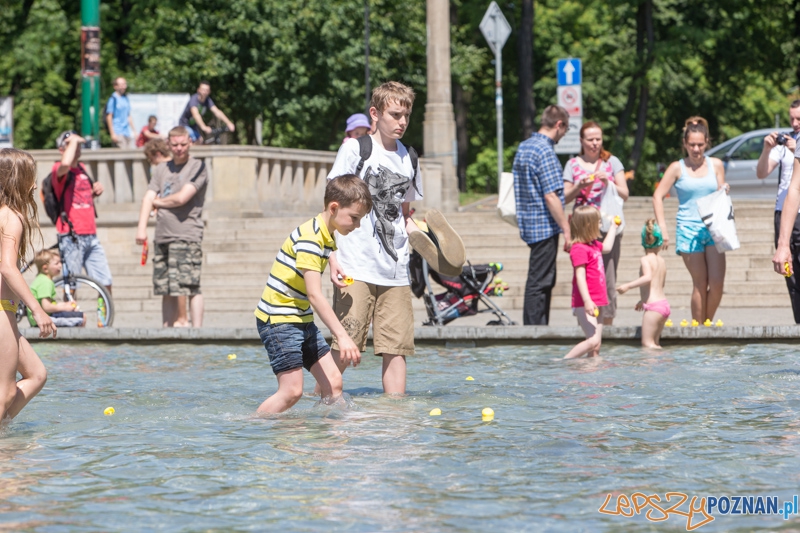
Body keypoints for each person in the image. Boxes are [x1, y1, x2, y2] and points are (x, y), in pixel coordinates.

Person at [322, 81, 463, 395]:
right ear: (375, 113)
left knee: (396, 348)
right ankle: (320, 402)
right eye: (395, 115)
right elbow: (329, 209)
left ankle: (395, 418)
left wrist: (432, 246)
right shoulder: (355, 149)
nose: (401, 122)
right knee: (346, 343)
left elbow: (405, 216)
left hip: (396, 271)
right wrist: (331, 259)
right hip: (354, 266)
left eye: (406, 116)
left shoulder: (410, 157)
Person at [254, 175, 372, 414]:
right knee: (291, 392)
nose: (357, 225)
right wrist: (343, 336)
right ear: (334, 208)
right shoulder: (310, 239)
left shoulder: (326, 231)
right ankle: (250, 426)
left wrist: (333, 262)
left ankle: (329, 445)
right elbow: (315, 295)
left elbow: (326, 247)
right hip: (279, 320)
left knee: (333, 383)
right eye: (355, 218)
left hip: (301, 318)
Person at [653, 117, 728, 323]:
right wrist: (663, 228)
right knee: (700, 282)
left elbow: (721, 191)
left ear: (707, 143)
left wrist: (725, 190)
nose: (696, 149)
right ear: (685, 144)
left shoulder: (716, 165)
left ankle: (706, 323)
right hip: (689, 229)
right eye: (692, 145)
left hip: (714, 229)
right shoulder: (677, 168)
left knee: (717, 283)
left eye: (700, 145)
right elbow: (658, 196)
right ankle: (698, 330)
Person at [0, 148, 54, 422]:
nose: (34, 184)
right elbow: (8, 267)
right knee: (5, 392)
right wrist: (37, 309)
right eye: (31, 177)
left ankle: (4, 434)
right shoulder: (11, 217)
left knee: (36, 374)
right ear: (16, 179)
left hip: (4, 309)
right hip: (1, 310)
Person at [135, 127, 208, 327]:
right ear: (168, 145)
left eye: (183, 144)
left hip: (187, 234)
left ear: (190, 143)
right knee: (164, 287)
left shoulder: (197, 166)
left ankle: (196, 330)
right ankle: (166, 330)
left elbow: (182, 198)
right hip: (163, 236)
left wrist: (158, 203)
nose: (179, 149)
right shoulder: (161, 169)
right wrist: (141, 228)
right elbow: (148, 196)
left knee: (189, 285)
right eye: (174, 145)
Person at [563, 121, 629, 326]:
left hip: (607, 227)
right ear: (581, 141)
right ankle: (586, 323)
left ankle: (606, 324)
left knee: (607, 278)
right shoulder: (572, 164)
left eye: (598, 139)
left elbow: (625, 193)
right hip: (583, 229)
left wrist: (608, 183)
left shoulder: (612, 162)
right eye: (590, 139)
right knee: (583, 275)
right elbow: (564, 197)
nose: (595, 143)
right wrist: (580, 186)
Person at [513, 105, 572, 325]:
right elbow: (551, 196)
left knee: (540, 279)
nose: (563, 135)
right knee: (540, 281)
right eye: (564, 130)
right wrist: (566, 228)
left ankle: (536, 327)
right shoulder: (545, 150)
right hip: (544, 226)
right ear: (559, 124)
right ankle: (535, 331)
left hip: (529, 222)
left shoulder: (525, 146)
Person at [52, 131, 113, 294]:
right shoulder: (58, 168)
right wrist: (74, 140)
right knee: (71, 285)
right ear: (61, 149)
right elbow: (65, 164)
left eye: (78, 144)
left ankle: (104, 319)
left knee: (105, 282)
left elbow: (78, 197)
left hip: (91, 234)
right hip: (71, 234)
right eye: (70, 144)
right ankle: (71, 318)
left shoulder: (82, 168)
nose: (76, 147)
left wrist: (93, 193)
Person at [758, 100, 800, 322]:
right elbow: (762, 173)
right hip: (786, 213)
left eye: (799, 119)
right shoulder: (785, 147)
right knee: (791, 277)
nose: (794, 124)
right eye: (792, 118)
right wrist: (767, 149)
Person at [564, 205, 617, 359]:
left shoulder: (593, 245)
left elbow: (607, 247)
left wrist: (613, 227)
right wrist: (587, 301)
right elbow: (580, 276)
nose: (601, 225)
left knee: (596, 345)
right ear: (588, 225)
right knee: (593, 340)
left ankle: (591, 375)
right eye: (599, 222)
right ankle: (564, 361)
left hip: (597, 301)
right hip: (584, 303)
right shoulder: (579, 249)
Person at [617, 220, 669, 348]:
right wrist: (643, 300)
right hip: (663, 305)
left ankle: (660, 363)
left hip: (653, 308)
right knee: (655, 344)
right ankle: (662, 365)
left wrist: (628, 286)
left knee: (647, 344)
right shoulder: (661, 261)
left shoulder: (645, 259)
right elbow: (659, 285)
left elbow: (648, 278)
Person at [26, 250, 86, 328]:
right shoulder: (45, 282)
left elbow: (48, 304)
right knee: (82, 317)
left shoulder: (40, 279)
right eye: (56, 263)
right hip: (43, 319)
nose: (60, 265)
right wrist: (65, 308)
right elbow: (46, 307)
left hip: (38, 318)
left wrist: (66, 305)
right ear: (45, 268)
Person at [105, 77, 135, 149]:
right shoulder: (113, 99)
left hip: (127, 132)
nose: (124, 87)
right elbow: (109, 116)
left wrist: (134, 131)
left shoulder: (125, 98)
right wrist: (112, 134)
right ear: (115, 86)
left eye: (124, 84)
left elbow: (128, 116)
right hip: (118, 131)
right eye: (121, 85)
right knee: (123, 155)